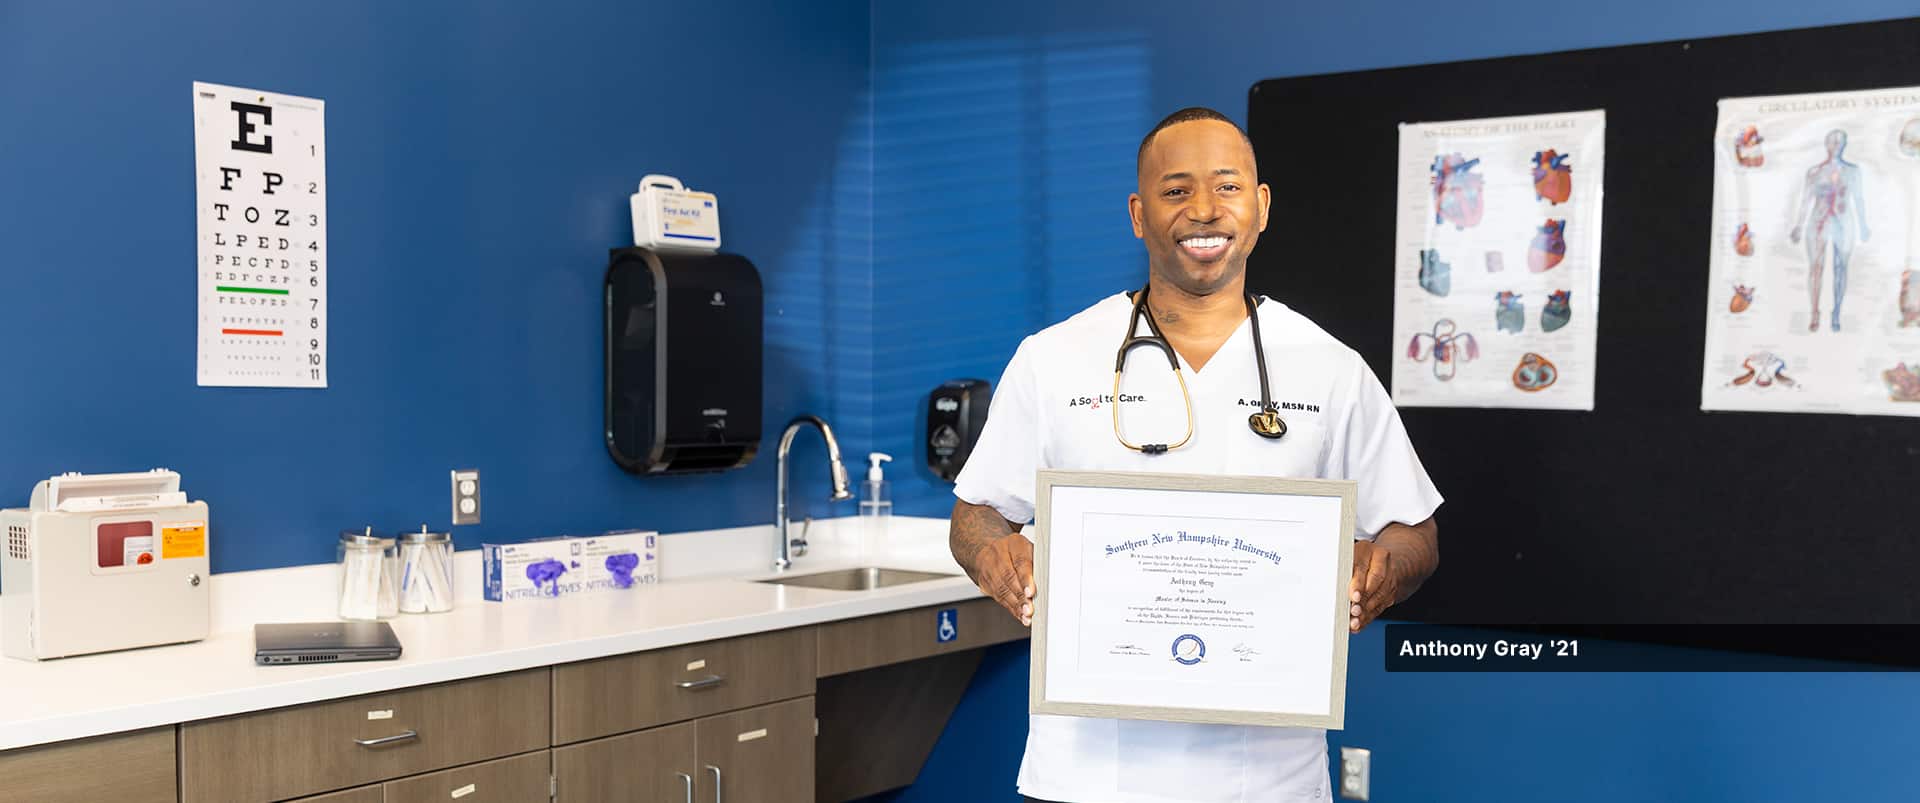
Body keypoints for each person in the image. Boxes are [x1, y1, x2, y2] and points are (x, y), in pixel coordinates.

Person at [948, 107, 1443, 803]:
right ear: (1138, 213)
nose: (1205, 210)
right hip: (1086, 773)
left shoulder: (1331, 369)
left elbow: (1414, 528)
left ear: (1262, 205)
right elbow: (976, 513)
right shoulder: (1054, 359)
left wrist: (1383, 568)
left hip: (1271, 777)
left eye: (1228, 187)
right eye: (1176, 190)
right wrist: (994, 556)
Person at [1789, 129, 1870, 333]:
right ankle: (1815, 311)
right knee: (1816, 265)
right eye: (1833, 142)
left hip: (1843, 221)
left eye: (1840, 142)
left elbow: (1859, 199)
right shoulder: (1815, 172)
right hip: (1819, 221)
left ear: (1844, 145)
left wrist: (1863, 225)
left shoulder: (1853, 171)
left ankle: (1836, 311)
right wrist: (1798, 225)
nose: (1836, 145)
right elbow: (1806, 200)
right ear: (1826, 145)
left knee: (1841, 266)